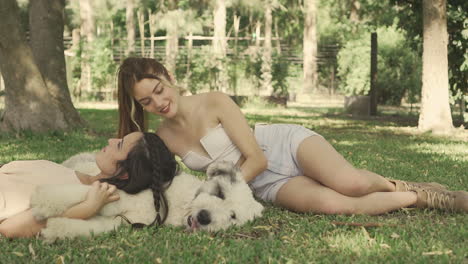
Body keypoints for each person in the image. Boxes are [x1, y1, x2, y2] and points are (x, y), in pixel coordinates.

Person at [116, 57, 468, 215]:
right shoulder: (162, 136)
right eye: (146, 101)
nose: (159, 103)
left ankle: (414, 189)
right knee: (337, 205)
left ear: (167, 75)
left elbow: (257, 158)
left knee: (353, 184)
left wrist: (215, 191)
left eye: (159, 90)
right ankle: (426, 199)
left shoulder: (214, 101)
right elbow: (146, 173)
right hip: (261, 186)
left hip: (281, 146)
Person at [0, 132, 178, 238]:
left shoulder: (84, 195)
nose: (110, 140)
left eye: (119, 144)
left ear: (123, 173)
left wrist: (87, 208)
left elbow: (9, 228)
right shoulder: (80, 175)